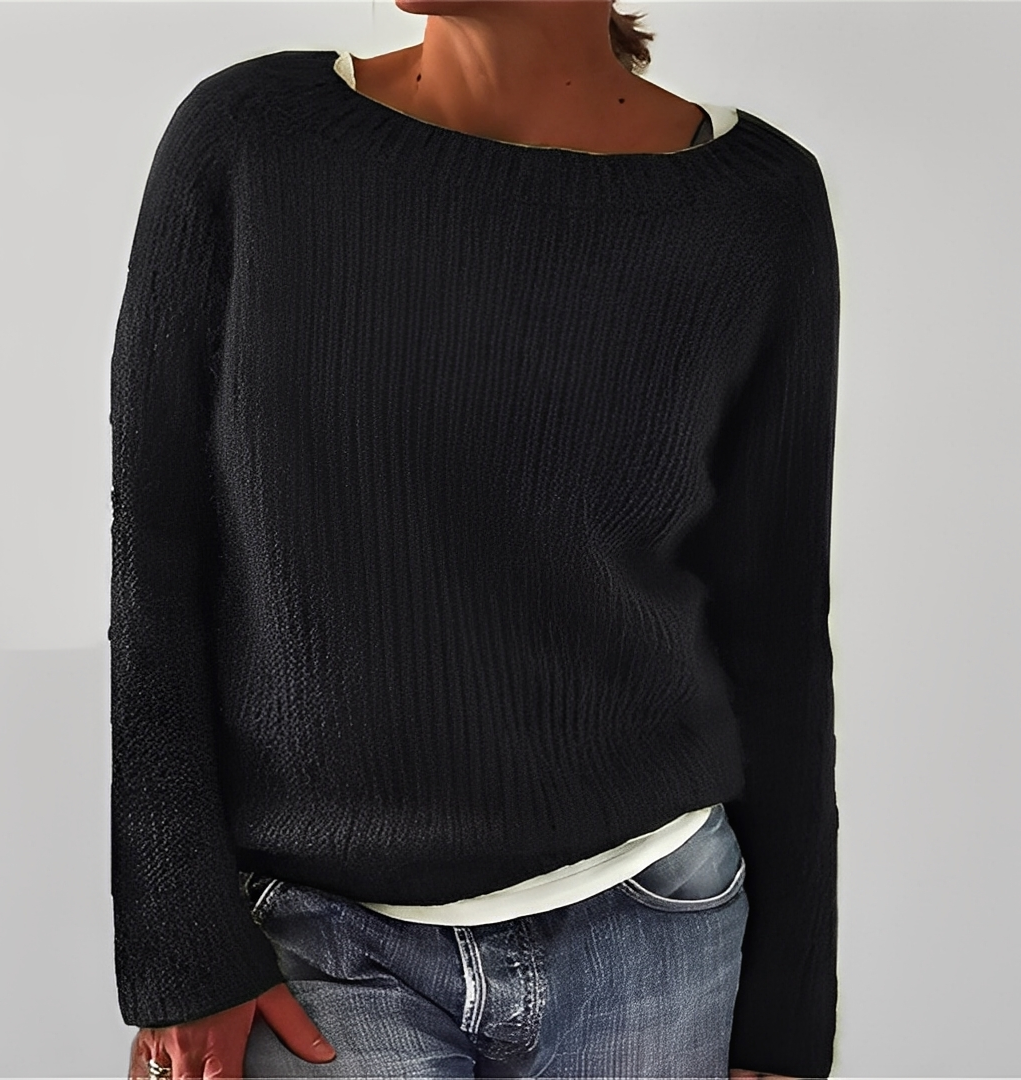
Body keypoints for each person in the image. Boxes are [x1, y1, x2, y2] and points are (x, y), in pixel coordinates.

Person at [109, 2, 841, 1078]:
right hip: (315, 946)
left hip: (656, 928)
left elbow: (774, 618)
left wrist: (788, 1016)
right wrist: (180, 949)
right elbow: (156, 553)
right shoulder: (252, 138)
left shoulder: (755, 204)